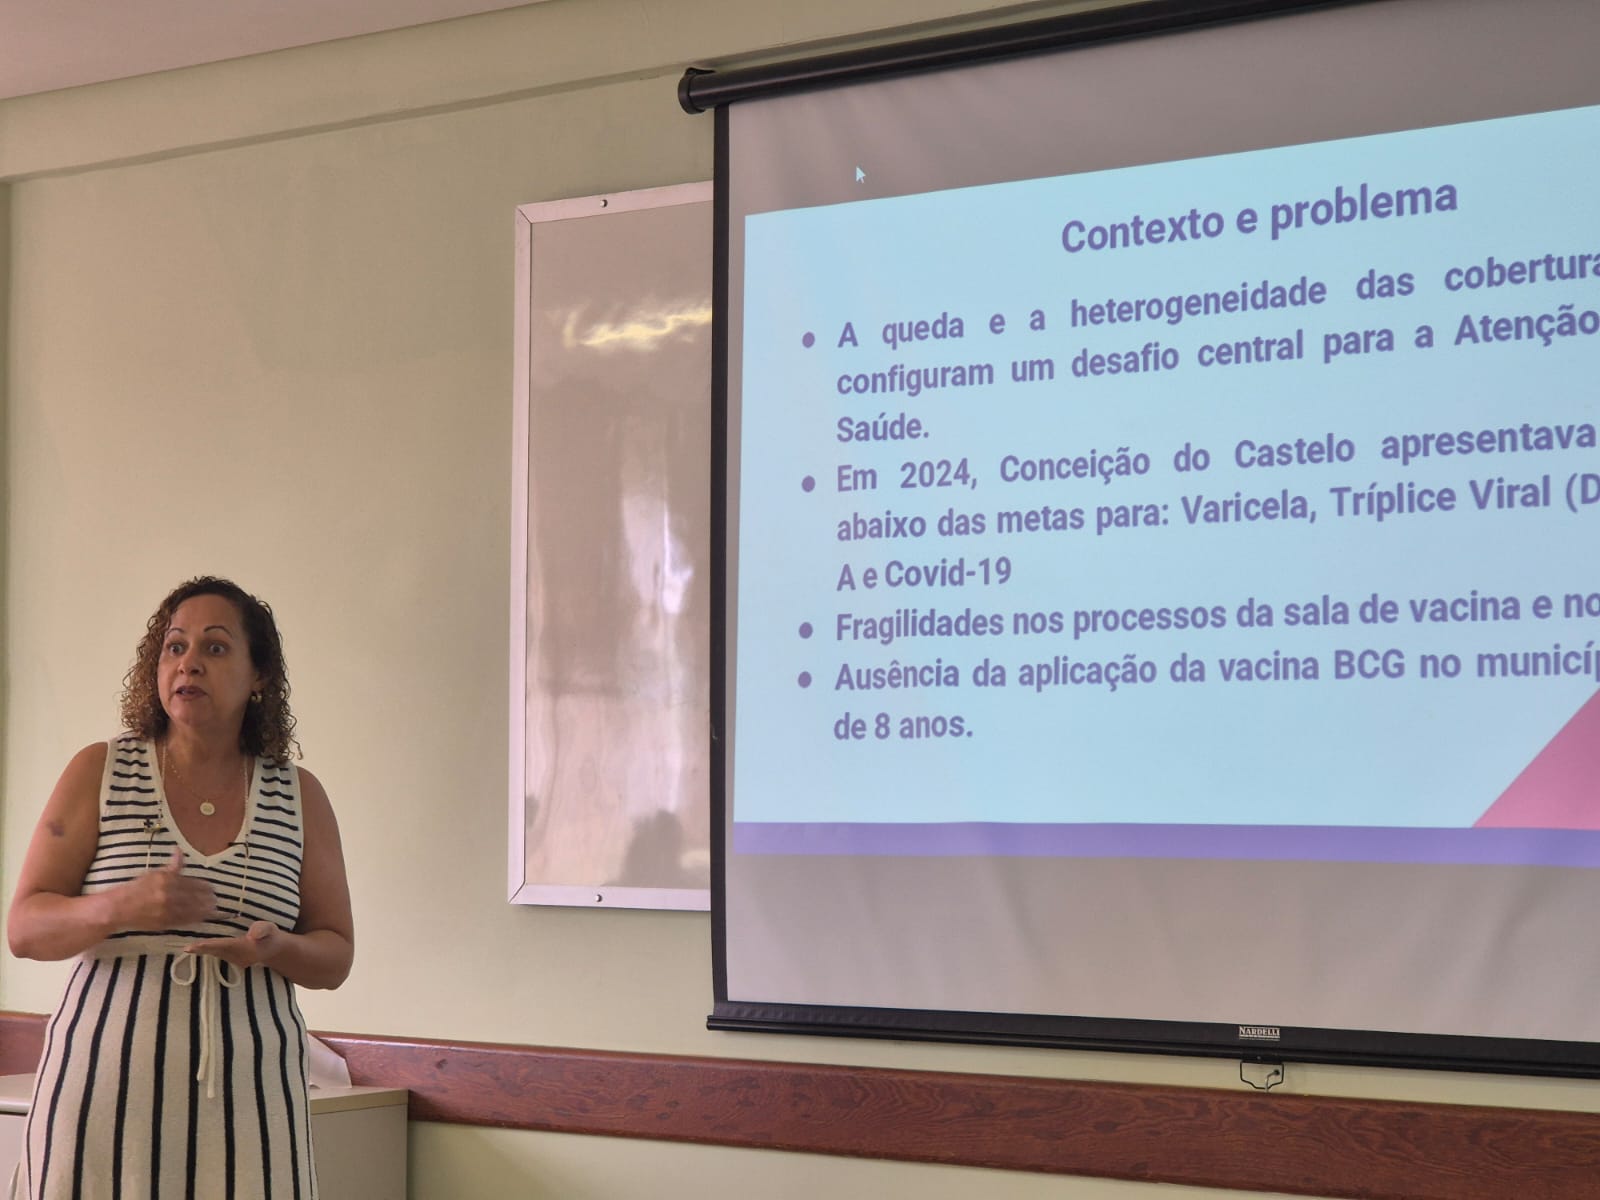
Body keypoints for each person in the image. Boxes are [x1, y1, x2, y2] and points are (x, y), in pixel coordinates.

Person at [6, 576, 354, 1199]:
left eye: (215, 647)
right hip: (101, 1097)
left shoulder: (299, 796)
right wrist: (121, 906)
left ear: (258, 676)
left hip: (254, 1102)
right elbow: (24, 929)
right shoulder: (99, 770)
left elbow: (336, 954)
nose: (188, 662)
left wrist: (277, 950)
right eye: (175, 646)